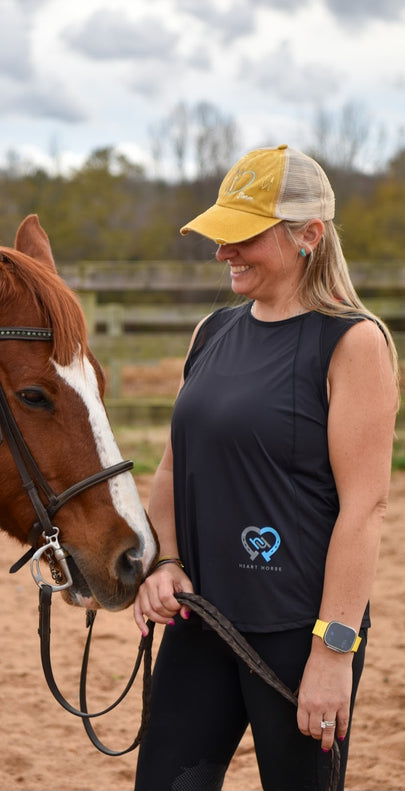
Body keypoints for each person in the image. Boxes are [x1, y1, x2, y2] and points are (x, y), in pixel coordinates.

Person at [133, 144, 399, 791]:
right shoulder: (210, 332)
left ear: (308, 234)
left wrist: (333, 651)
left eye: (242, 238)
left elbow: (363, 508)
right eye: (221, 236)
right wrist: (162, 560)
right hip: (200, 619)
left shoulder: (353, 343)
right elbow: (172, 472)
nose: (222, 252)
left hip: (296, 631)